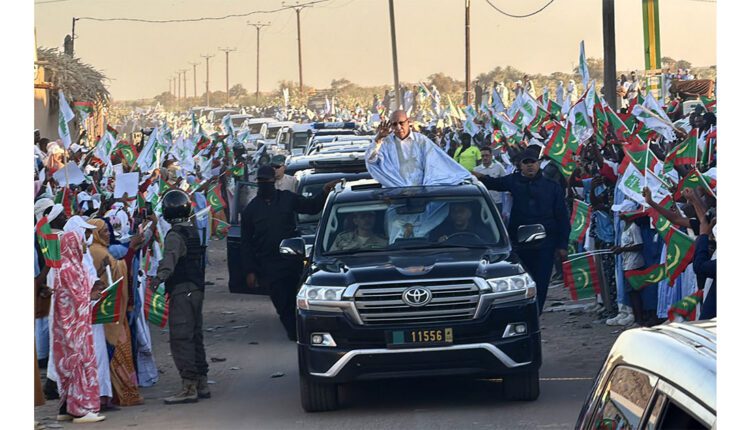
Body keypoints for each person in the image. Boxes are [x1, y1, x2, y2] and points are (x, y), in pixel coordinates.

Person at [241, 166, 340, 340]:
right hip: (269, 265)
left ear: (274, 181)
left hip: (292, 260)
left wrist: (324, 192)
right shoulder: (251, 210)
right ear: (258, 183)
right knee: (282, 303)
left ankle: (302, 333)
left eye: (268, 181)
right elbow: (246, 243)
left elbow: (311, 207)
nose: (265, 184)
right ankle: (294, 334)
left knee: (298, 299)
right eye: (262, 181)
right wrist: (250, 271)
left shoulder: (287, 198)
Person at [473, 147, 570, 314]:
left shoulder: (552, 186)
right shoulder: (513, 181)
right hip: (520, 243)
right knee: (524, 280)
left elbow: (562, 217)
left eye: (533, 162)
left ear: (538, 164)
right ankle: (525, 312)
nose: (530, 165)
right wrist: (473, 175)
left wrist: (562, 245)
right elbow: (492, 183)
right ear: (520, 165)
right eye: (526, 163)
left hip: (546, 243)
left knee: (541, 281)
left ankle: (536, 313)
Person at [148, 190, 210, 404]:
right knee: (195, 336)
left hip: (183, 291)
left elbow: (170, 260)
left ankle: (188, 386)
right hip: (196, 289)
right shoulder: (192, 230)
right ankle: (202, 383)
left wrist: (158, 279)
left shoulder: (175, 235)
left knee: (181, 338)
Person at [52, 231, 106, 423]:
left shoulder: (64, 266)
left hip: (66, 328)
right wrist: (91, 296)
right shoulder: (70, 268)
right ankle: (80, 410)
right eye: (80, 242)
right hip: (75, 328)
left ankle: (66, 408)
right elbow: (77, 297)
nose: (83, 246)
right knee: (79, 363)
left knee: (70, 366)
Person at [365, 110, 470, 187]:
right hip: (396, 196)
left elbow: (436, 164)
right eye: (394, 124)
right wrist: (378, 139)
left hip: (421, 194)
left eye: (401, 123)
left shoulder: (422, 141)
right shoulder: (385, 143)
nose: (398, 127)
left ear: (408, 122)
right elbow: (371, 160)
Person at [607, 215, 645, 327]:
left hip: (634, 263)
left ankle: (639, 319)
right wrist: (618, 248)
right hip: (627, 263)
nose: (619, 214)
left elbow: (639, 245)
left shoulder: (634, 227)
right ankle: (636, 318)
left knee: (635, 292)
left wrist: (623, 249)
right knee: (631, 293)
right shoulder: (624, 226)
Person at [473, 146, 507, 215]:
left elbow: (505, 180)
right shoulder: (476, 170)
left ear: (491, 156)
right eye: (482, 156)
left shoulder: (498, 167)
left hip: (497, 202)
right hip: (483, 202)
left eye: (487, 155)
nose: (485, 158)